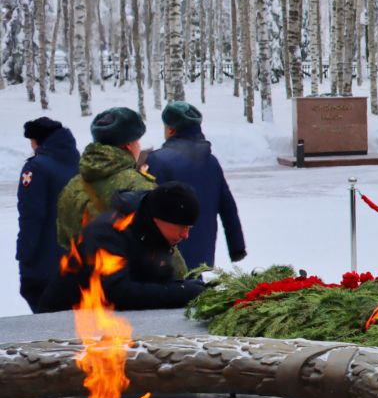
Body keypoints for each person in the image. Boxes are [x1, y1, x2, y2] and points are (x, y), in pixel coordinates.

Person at [40, 182, 207, 313]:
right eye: (182, 227)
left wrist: (190, 287)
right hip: (62, 324)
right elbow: (116, 293)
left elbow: (159, 282)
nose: (185, 235)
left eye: (189, 228)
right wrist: (183, 292)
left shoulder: (154, 233)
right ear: (159, 218)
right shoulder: (108, 233)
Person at [144, 102, 246, 269]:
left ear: (170, 129)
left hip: (168, 254)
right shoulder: (211, 162)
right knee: (197, 290)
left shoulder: (158, 161)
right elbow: (228, 207)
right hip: (203, 253)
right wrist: (237, 247)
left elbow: (147, 208)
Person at [56, 107, 153, 253]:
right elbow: (161, 242)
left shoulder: (72, 185)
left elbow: (63, 237)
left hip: (84, 273)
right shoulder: (138, 185)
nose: (139, 146)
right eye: (138, 141)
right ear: (128, 144)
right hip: (128, 274)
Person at [16, 118, 80, 312]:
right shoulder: (81, 165)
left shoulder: (36, 168)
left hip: (45, 266)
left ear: (37, 141)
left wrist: (24, 255)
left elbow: (32, 217)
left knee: (47, 325)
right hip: (80, 262)